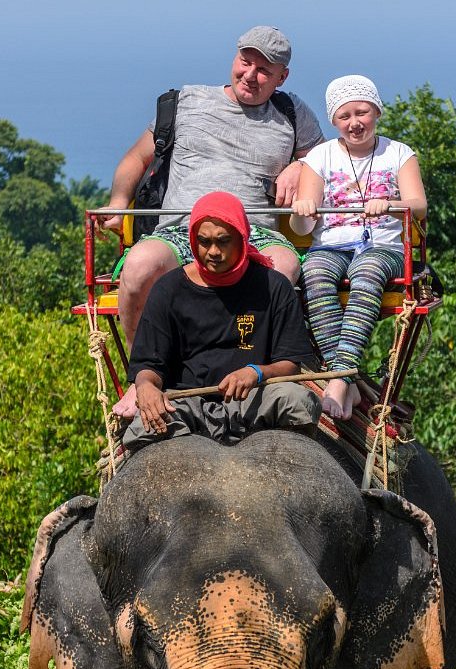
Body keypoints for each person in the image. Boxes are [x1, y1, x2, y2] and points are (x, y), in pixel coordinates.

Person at [98, 25, 324, 417]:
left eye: (264, 71)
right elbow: (138, 158)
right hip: (183, 229)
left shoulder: (292, 114)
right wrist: (118, 204)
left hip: (255, 231)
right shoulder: (186, 102)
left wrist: (302, 165)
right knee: (138, 266)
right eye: (245, 62)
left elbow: (327, 164)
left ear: (281, 78)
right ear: (234, 58)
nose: (250, 75)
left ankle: (259, 365)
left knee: (283, 265)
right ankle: (145, 378)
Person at [122, 191, 321, 453]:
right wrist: (146, 386)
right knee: (142, 428)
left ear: (242, 237)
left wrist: (256, 372)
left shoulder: (274, 286)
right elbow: (149, 364)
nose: (213, 252)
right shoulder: (168, 289)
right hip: (185, 404)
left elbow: (290, 365)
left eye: (223, 241)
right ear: (193, 240)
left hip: (253, 400)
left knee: (297, 401)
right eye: (204, 242)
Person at [290, 75, 427, 420]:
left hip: (384, 247)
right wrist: (302, 213)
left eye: (362, 113)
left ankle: (338, 376)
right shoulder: (320, 157)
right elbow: (302, 226)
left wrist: (392, 203)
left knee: (367, 271)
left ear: (376, 112)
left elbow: (419, 205)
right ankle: (346, 377)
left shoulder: (398, 153)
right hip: (332, 246)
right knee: (315, 271)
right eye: (344, 116)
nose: (354, 123)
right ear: (334, 121)